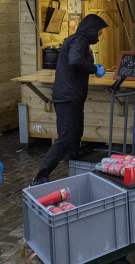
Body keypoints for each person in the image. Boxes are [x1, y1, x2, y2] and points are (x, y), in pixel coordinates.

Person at [32, 14, 108, 186]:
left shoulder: (78, 40)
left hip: (71, 96)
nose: (101, 34)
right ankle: (41, 175)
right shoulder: (79, 40)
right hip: (68, 97)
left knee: (75, 133)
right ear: (92, 30)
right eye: (99, 30)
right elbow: (75, 60)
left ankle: (75, 159)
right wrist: (93, 69)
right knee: (66, 137)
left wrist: (92, 67)